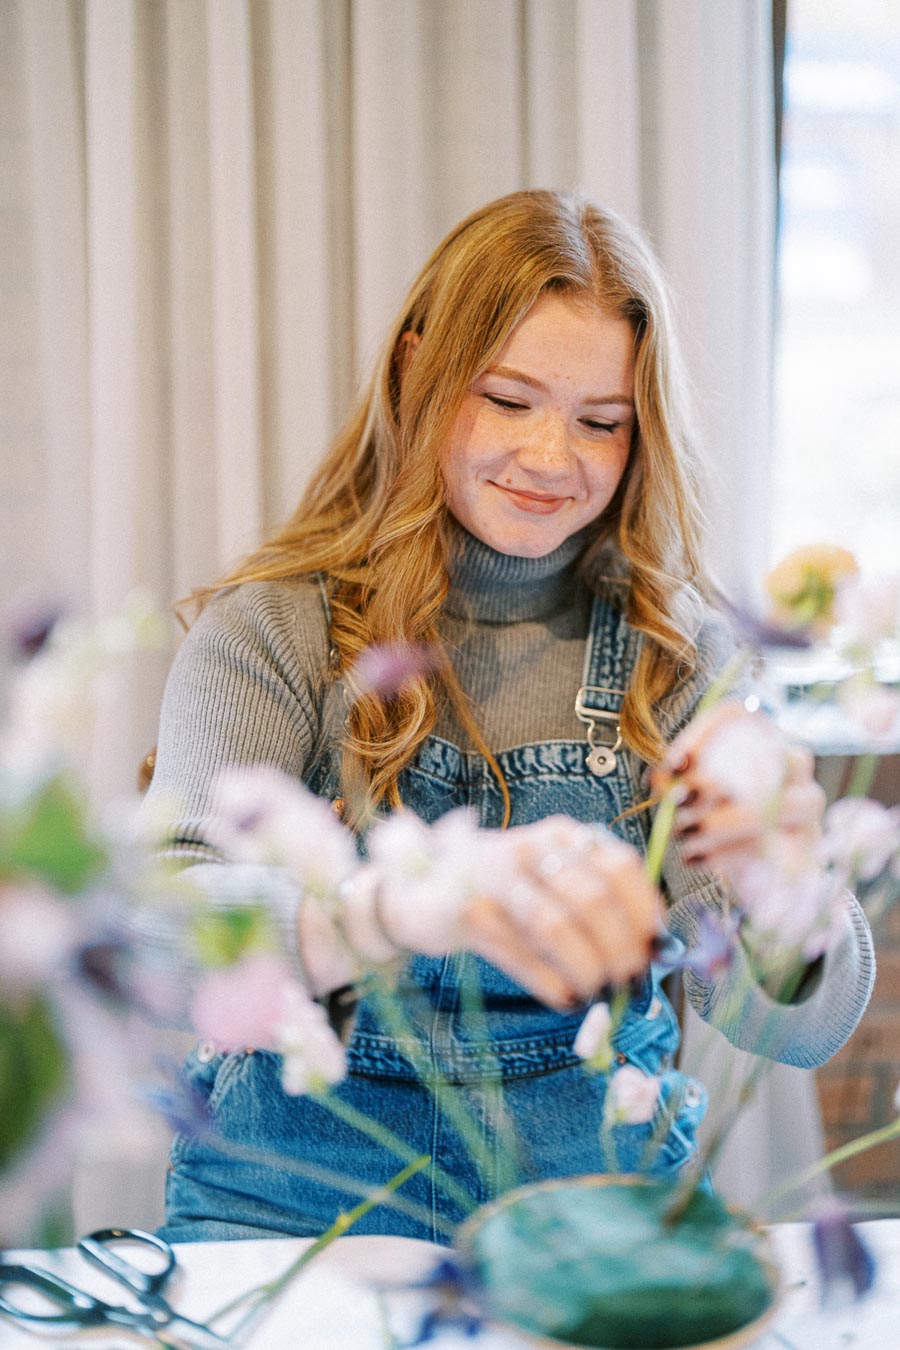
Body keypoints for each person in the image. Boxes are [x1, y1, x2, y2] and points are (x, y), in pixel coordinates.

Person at [146, 189, 874, 1244]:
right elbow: (159, 944)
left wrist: (783, 888)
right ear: (417, 373)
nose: (549, 458)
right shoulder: (274, 632)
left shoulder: (681, 659)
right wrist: (397, 909)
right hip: (286, 1208)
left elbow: (795, 1031)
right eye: (507, 399)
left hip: (594, 1204)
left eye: (601, 422)